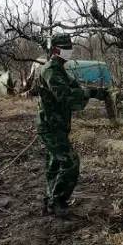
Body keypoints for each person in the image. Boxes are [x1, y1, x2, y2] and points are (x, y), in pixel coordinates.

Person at [37, 34, 106, 217]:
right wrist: (87, 93)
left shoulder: (60, 69)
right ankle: (58, 202)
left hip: (56, 126)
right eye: (66, 48)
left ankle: (50, 202)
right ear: (56, 50)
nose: (70, 51)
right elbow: (65, 96)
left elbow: (74, 86)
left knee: (54, 165)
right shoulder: (51, 70)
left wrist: (96, 92)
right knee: (70, 162)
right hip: (51, 127)